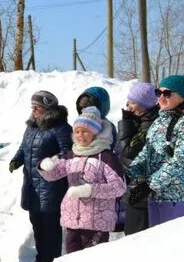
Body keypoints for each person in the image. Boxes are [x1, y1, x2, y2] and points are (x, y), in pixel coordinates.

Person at [38, 107, 126, 254]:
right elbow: (55, 174)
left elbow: (119, 187)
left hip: (96, 222)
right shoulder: (73, 154)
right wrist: (45, 167)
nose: (80, 135)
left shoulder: (106, 156)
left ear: (95, 133)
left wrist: (90, 190)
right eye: (77, 131)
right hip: (73, 220)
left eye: (85, 131)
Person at [9, 90, 73, 262]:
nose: (34, 110)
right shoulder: (31, 127)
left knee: (50, 225)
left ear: (47, 109)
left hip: (51, 186)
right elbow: (24, 148)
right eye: (32, 107)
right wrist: (16, 160)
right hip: (31, 185)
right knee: (37, 223)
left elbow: (66, 153)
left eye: (37, 107)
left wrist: (49, 164)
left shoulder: (61, 128)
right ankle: (41, 258)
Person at [126, 75, 184, 227]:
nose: (162, 97)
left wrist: (150, 184)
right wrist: (131, 172)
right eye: (159, 93)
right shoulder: (158, 122)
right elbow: (146, 152)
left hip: (177, 199)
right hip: (155, 198)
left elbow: (180, 162)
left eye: (168, 94)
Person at [118, 82, 160, 234]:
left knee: (135, 236)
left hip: (143, 191)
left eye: (133, 102)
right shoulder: (142, 122)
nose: (129, 106)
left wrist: (126, 123)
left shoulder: (149, 125)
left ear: (146, 104)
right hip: (137, 188)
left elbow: (128, 153)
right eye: (128, 101)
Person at [75, 86, 118, 151]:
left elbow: (114, 149)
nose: (83, 111)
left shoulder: (108, 127)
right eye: (81, 108)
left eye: (87, 107)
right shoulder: (80, 124)